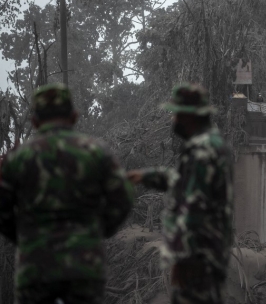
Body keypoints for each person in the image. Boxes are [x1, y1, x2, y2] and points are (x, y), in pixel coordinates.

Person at [0, 83, 134, 304]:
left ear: (34, 121)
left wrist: (25, 238)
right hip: (84, 266)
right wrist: (99, 231)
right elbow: (123, 198)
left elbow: (2, 208)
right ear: (74, 116)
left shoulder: (19, 158)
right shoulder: (95, 151)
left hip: (35, 268)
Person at [128, 83, 233, 304]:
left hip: (198, 261)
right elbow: (181, 180)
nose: (172, 120)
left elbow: (194, 209)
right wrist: (146, 176)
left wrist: (184, 260)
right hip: (208, 256)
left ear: (189, 117)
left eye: (176, 114)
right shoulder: (209, 144)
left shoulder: (202, 151)